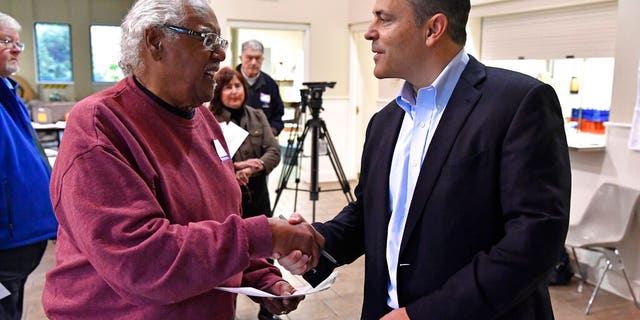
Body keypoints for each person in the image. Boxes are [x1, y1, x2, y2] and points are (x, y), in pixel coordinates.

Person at [279, 0, 571, 319]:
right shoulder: (384, 122)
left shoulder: (518, 103)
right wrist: (320, 242)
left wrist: (424, 315)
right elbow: (370, 213)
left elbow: (534, 241)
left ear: (432, 29)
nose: (369, 32)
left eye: (384, 19)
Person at [42, 1, 323, 319]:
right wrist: (265, 235)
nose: (219, 55)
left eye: (220, 43)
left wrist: (260, 277)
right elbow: (143, 263)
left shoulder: (204, 119)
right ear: (155, 42)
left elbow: (218, 220)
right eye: (206, 40)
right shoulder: (101, 125)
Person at [211, 67, 283, 320]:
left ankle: (268, 310)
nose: (234, 92)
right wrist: (231, 170)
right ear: (219, 91)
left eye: (238, 86)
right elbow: (204, 161)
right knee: (230, 255)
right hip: (224, 201)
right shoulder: (208, 120)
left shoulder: (257, 116)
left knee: (265, 253)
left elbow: (273, 151)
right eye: (228, 87)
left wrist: (256, 166)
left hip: (257, 195)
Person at [0, 11, 58, 320]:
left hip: (21, 244)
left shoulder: (10, 95)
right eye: (6, 41)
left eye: (18, 42)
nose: (17, 48)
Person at [236, 39, 285, 136]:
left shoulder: (270, 84)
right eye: (249, 58)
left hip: (263, 142)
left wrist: (271, 133)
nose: (253, 62)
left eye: (257, 58)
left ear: (262, 59)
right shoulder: (229, 82)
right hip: (234, 142)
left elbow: (277, 115)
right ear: (241, 58)